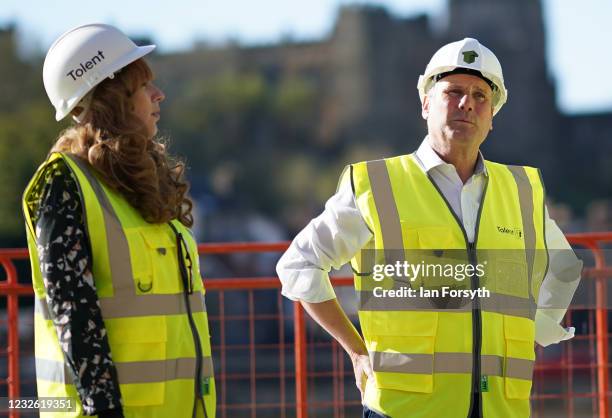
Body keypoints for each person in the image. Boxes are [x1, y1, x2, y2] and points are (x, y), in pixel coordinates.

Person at [276, 38, 582, 418]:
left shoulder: (521, 190)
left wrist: (533, 334)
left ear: (492, 115)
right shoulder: (377, 184)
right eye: (452, 91)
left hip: (501, 407)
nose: (467, 103)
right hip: (404, 408)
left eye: (480, 96)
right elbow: (299, 265)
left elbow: (565, 268)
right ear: (425, 103)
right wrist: (356, 351)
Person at [22, 24, 215, 418]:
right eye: (144, 86)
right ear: (113, 97)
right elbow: (73, 314)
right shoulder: (63, 183)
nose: (159, 94)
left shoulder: (139, 182)